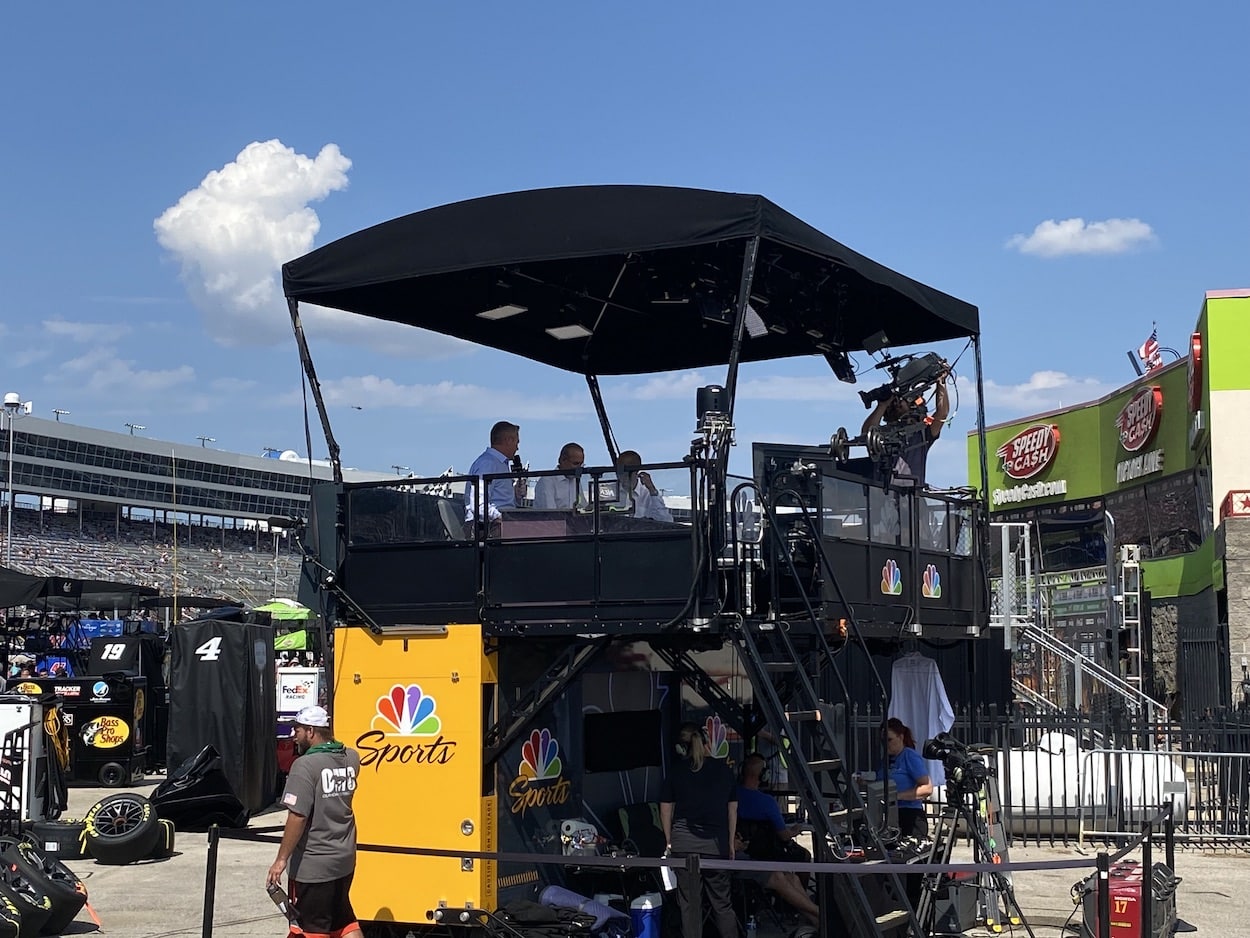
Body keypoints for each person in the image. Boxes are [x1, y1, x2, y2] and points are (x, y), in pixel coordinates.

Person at [267, 705, 362, 938]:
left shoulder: (305, 766)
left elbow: (297, 816)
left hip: (314, 863)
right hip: (344, 858)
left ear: (311, 731)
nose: (294, 735)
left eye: (297, 729)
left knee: (311, 929)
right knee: (344, 921)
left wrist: (281, 860)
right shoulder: (351, 757)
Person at [660, 722, 738, 938]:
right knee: (722, 905)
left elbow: (666, 810)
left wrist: (669, 840)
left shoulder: (675, 772)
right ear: (706, 744)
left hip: (684, 846)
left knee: (689, 906)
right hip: (716, 846)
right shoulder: (724, 771)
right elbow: (732, 811)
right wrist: (730, 843)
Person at [860, 367, 950, 486]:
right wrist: (882, 405)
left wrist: (941, 383)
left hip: (911, 498)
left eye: (900, 401)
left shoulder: (922, 433)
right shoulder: (883, 434)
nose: (897, 404)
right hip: (883, 496)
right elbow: (867, 433)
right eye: (894, 404)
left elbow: (942, 413)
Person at [735, 753, 812, 878]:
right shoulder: (768, 802)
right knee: (805, 856)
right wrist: (794, 830)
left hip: (745, 849)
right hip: (768, 852)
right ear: (763, 775)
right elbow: (784, 836)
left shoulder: (733, 795)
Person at [732, 829, 819, 927]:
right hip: (734, 865)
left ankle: (815, 918)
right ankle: (819, 912)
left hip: (749, 858)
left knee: (792, 878)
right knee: (777, 876)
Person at [878, 717, 933, 838]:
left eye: (889, 740)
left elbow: (927, 788)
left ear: (901, 737)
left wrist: (897, 796)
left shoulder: (909, 756)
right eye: (883, 741)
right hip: (889, 816)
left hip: (910, 816)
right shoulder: (886, 760)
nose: (886, 745)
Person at [464, 421, 526, 522]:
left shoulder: (499, 464)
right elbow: (478, 504)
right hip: (485, 528)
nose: (517, 448)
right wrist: (501, 518)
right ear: (508, 440)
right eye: (516, 442)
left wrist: (516, 495)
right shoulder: (487, 464)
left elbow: (500, 500)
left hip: (498, 525)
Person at [616, 450, 673, 522]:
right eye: (618, 471)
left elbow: (666, 521)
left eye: (625, 471)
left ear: (636, 471)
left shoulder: (648, 494)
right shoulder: (609, 493)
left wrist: (652, 490)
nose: (621, 476)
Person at [533, 442, 586, 509]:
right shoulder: (547, 481)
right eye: (575, 464)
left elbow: (583, 506)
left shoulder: (576, 480)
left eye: (581, 465)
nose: (579, 468)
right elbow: (550, 514)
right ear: (563, 460)